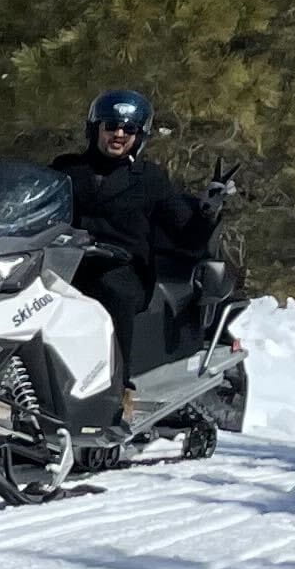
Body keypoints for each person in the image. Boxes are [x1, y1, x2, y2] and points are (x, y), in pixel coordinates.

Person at [51, 88, 230, 401]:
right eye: (111, 126)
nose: (118, 135)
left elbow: (184, 233)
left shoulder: (149, 178)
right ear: (95, 129)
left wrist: (207, 211)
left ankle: (116, 388)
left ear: (140, 135)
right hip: (64, 261)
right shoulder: (67, 169)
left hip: (122, 267)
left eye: (128, 129)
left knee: (111, 292)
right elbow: (25, 201)